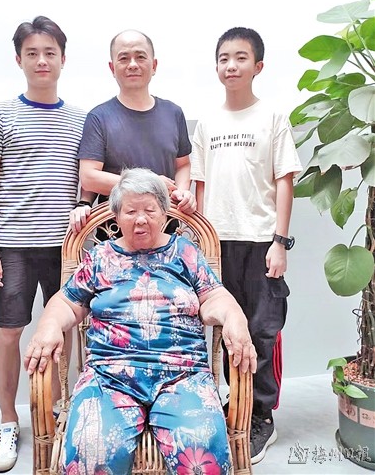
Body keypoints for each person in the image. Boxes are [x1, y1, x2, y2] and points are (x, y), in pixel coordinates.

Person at [24, 167, 257, 475]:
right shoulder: (100, 258)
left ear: (164, 213)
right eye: (131, 211)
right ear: (116, 216)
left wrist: (235, 318)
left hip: (182, 375)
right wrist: (49, 326)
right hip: (109, 377)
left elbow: (214, 297)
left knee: (203, 451)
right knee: (90, 451)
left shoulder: (184, 253)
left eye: (150, 210)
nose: (141, 219)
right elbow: (68, 301)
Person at [0, 16, 89, 473]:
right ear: (19, 59)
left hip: (66, 248)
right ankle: (8, 422)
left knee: (64, 331)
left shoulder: (82, 119)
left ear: (63, 58)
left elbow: (87, 180)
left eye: (50, 52)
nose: (42, 60)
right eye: (32, 53)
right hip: (12, 246)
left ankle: (57, 414)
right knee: (8, 332)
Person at [191, 27, 302, 465]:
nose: (231, 65)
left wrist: (280, 241)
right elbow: (199, 186)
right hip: (219, 244)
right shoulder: (207, 123)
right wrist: (201, 242)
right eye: (223, 58)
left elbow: (285, 180)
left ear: (258, 66)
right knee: (228, 329)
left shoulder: (272, 117)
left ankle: (261, 416)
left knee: (262, 330)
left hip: (261, 242)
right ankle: (235, 402)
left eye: (240, 58)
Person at [70, 29, 196, 233]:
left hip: (166, 228)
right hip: (115, 234)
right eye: (124, 58)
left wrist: (182, 192)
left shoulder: (174, 113)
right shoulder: (99, 117)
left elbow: (183, 164)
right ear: (112, 68)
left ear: (154, 65)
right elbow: (89, 177)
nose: (133, 64)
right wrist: (151, 184)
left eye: (140, 57)